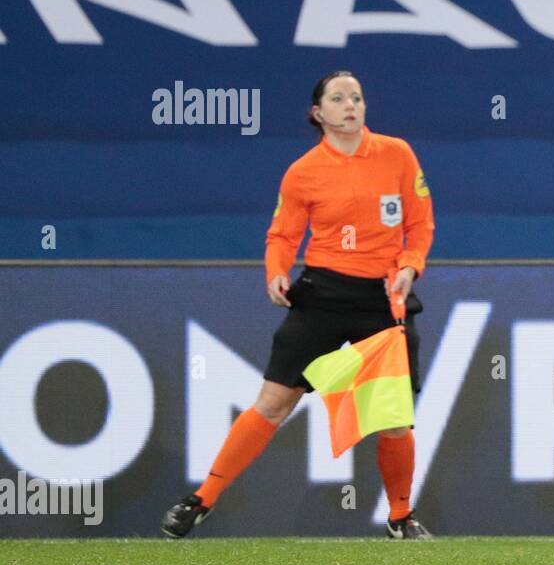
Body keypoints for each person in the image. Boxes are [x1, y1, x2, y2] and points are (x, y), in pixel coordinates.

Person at [162, 71, 436, 540]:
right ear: (319, 113)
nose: (350, 104)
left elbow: (421, 223)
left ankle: (400, 517)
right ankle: (202, 499)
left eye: (357, 96)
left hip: (382, 298)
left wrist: (411, 264)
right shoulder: (303, 171)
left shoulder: (397, 154)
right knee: (273, 402)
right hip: (323, 294)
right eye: (338, 98)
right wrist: (276, 271)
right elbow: (283, 235)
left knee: (391, 419)